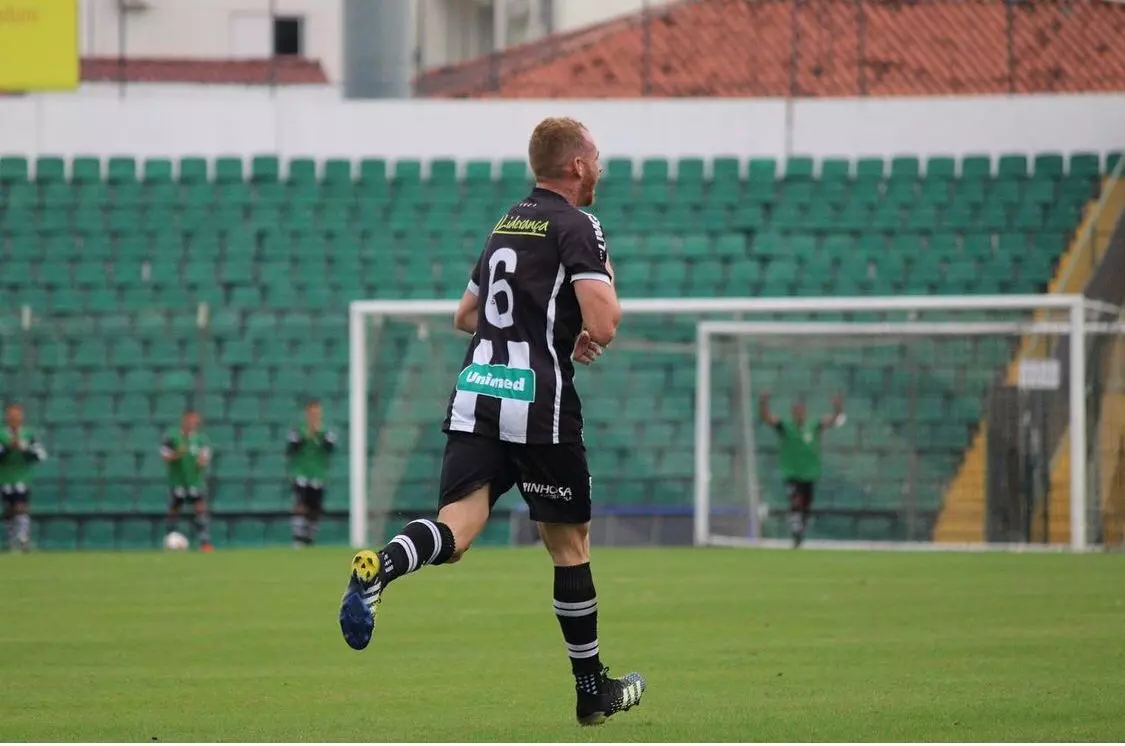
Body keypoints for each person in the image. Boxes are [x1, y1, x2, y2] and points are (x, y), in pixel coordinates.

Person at [338, 116, 645, 725]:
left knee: (457, 528)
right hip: (537, 402)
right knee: (569, 546)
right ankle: (592, 692)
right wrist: (594, 301)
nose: (600, 168)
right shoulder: (578, 224)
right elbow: (605, 322)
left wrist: (551, 326)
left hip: (478, 388)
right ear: (578, 165)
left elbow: (465, 315)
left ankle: (383, 566)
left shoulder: (508, 220)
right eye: (597, 158)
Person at [758, 392, 844, 547]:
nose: (799, 413)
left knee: (806, 505)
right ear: (792, 412)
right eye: (796, 410)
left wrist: (837, 406)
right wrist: (763, 403)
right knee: (795, 501)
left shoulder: (814, 425)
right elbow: (767, 417)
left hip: (809, 473)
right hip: (791, 472)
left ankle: (799, 531)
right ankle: (796, 531)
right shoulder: (785, 426)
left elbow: (833, 420)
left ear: (805, 411)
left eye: (801, 410)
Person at [161, 410, 213, 552]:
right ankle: (169, 539)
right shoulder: (172, 437)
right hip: (177, 481)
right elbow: (165, 457)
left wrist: (202, 461)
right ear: (184, 419)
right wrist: (178, 454)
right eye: (191, 420)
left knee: (200, 509)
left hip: (194, 481)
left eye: (195, 420)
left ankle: (205, 543)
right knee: (174, 510)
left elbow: (205, 457)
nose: (193, 423)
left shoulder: (201, 439)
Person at [287, 399, 336, 548]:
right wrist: (305, 437)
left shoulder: (326, 431)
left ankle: (309, 539)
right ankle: (298, 539)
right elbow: (291, 448)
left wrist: (319, 436)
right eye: (312, 412)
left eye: (317, 412)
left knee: (315, 508)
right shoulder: (299, 430)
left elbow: (330, 448)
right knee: (301, 504)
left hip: (318, 474)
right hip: (301, 472)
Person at [0, 403, 47, 552]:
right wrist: (7, 448)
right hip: (5, 477)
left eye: (17, 415)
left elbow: (40, 455)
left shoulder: (28, 434)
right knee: (10, 509)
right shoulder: (1, 434)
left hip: (22, 477)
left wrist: (24, 448)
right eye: (11, 415)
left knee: (21, 506)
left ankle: (22, 537)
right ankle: (13, 539)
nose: (14, 418)